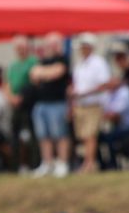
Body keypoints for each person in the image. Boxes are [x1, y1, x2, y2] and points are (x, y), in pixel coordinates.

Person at [27, 38, 72, 177]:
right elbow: (33, 75)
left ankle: (62, 163)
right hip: (41, 104)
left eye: (51, 44)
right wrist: (46, 72)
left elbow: (56, 72)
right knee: (43, 135)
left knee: (60, 134)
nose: (48, 47)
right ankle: (47, 163)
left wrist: (43, 73)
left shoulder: (63, 59)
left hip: (57, 103)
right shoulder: (42, 61)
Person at [68, 39, 113, 173]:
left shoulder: (98, 63)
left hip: (93, 104)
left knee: (90, 134)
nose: (82, 49)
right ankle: (88, 163)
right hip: (80, 105)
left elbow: (104, 84)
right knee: (83, 135)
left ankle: (89, 164)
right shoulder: (80, 64)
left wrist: (84, 94)